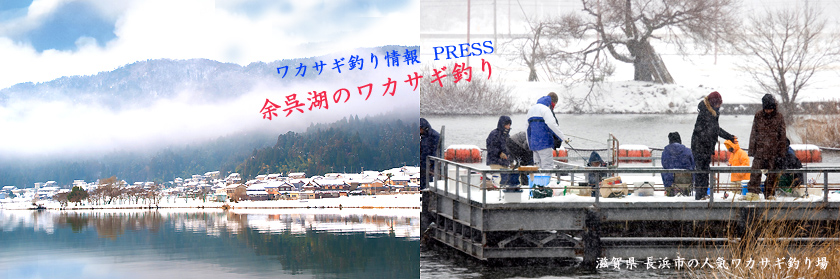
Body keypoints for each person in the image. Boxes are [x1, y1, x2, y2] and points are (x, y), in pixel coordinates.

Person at [691, 91, 737, 200]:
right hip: (700, 147)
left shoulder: (711, 113)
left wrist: (728, 136)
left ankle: (703, 194)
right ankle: (700, 195)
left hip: (704, 147)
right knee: (702, 171)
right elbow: (714, 130)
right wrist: (728, 136)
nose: (719, 106)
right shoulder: (706, 113)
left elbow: (715, 129)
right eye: (718, 104)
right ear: (713, 103)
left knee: (704, 171)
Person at [746, 94, 786, 201]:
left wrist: (782, 154)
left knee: (772, 175)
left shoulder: (779, 117)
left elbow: (782, 136)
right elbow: (754, 133)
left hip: (774, 152)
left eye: (770, 109)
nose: (768, 111)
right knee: (755, 173)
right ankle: (753, 194)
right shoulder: (758, 116)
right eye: (766, 109)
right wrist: (752, 150)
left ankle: (769, 195)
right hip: (760, 150)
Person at [526, 93, 567, 170]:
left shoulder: (531, 110)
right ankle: (547, 182)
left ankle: (537, 182)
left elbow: (527, 129)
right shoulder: (546, 109)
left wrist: (530, 144)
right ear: (550, 103)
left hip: (534, 145)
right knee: (547, 167)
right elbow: (552, 125)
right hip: (545, 144)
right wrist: (562, 137)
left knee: (537, 168)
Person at [661, 132, 695, 197]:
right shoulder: (688, 151)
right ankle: (686, 190)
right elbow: (693, 164)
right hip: (686, 181)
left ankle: (670, 190)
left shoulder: (665, 152)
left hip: (670, 181)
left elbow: (664, 164)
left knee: (664, 170)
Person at [486, 116, 512, 189]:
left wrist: (511, 160)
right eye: (507, 124)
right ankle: (496, 192)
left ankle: (502, 193)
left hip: (505, 162)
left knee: (505, 180)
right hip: (495, 161)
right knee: (497, 179)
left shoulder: (507, 136)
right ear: (502, 124)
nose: (508, 126)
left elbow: (508, 149)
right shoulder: (494, 134)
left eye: (509, 125)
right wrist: (499, 153)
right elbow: (490, 147)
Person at [420, 118, 440, 190]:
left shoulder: (434, 136)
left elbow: (436, 152)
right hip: (422, 163)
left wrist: (432, 166)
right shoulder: (422, 136)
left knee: (427, 183)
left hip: (429, 164)